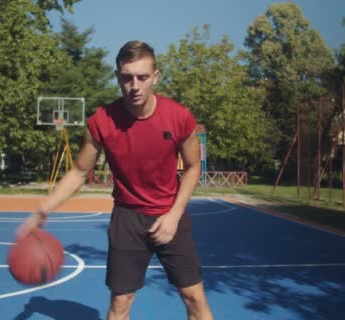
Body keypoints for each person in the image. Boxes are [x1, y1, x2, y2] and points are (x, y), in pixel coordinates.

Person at [17, 40, 213, 320]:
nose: (135, 85)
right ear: (117, 77)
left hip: (170, 214)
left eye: (142, 77)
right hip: (127, 219)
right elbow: (78, 172)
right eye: (127, 78)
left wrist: (173, 215)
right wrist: (42, 209)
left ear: (155, 77)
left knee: (194, 299)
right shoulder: (101, 121)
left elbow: (193, 167)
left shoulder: (179, 117)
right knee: (121, 303)